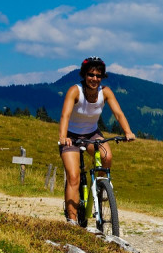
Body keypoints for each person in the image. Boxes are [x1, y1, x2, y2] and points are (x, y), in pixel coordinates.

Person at [58, 56, 136, 224]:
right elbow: (65, 115)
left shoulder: (105, 92)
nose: (94, 79)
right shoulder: (75, 91)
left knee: (107, 156)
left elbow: (118, 114)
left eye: (98, 76)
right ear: (84, 75)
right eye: (91, 75)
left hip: (92, 134)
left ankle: (101, 187)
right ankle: (72, 222)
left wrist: (128, 132)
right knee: (73, 177)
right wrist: (63, 137)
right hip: (71, 136)